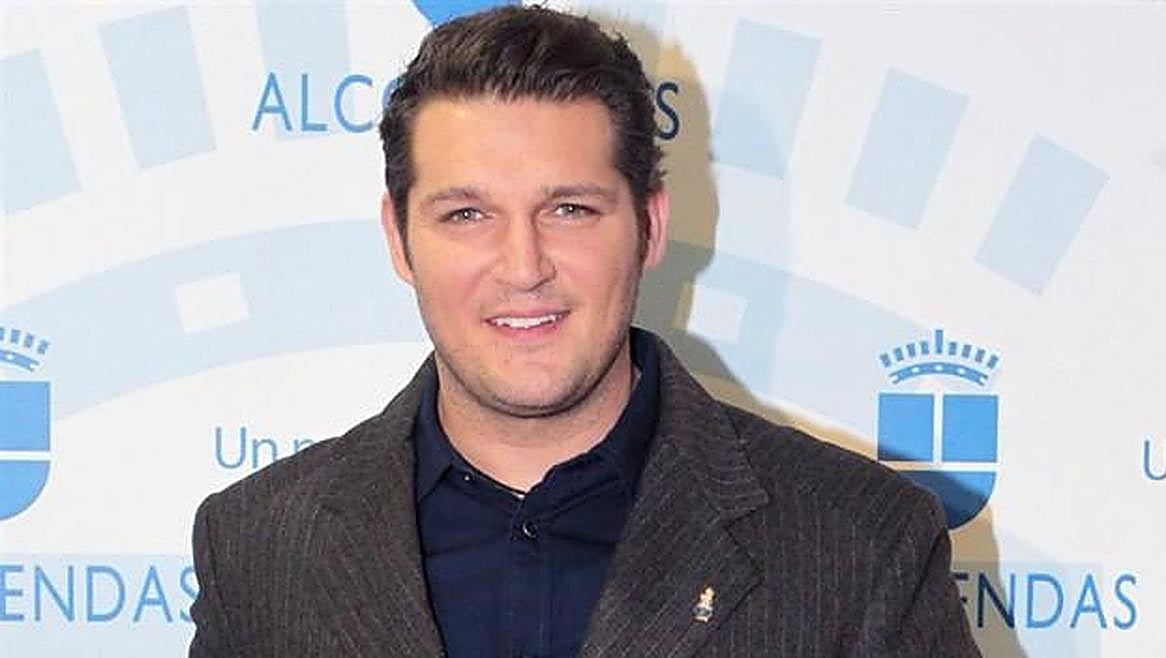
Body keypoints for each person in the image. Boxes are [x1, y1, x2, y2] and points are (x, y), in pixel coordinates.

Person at [188, 6, 980, 657]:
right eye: (466, 215)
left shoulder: (860, 544)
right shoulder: (261, 547)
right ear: (399, 238)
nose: (523, 265)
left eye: (569, 209)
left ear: (649, 226)